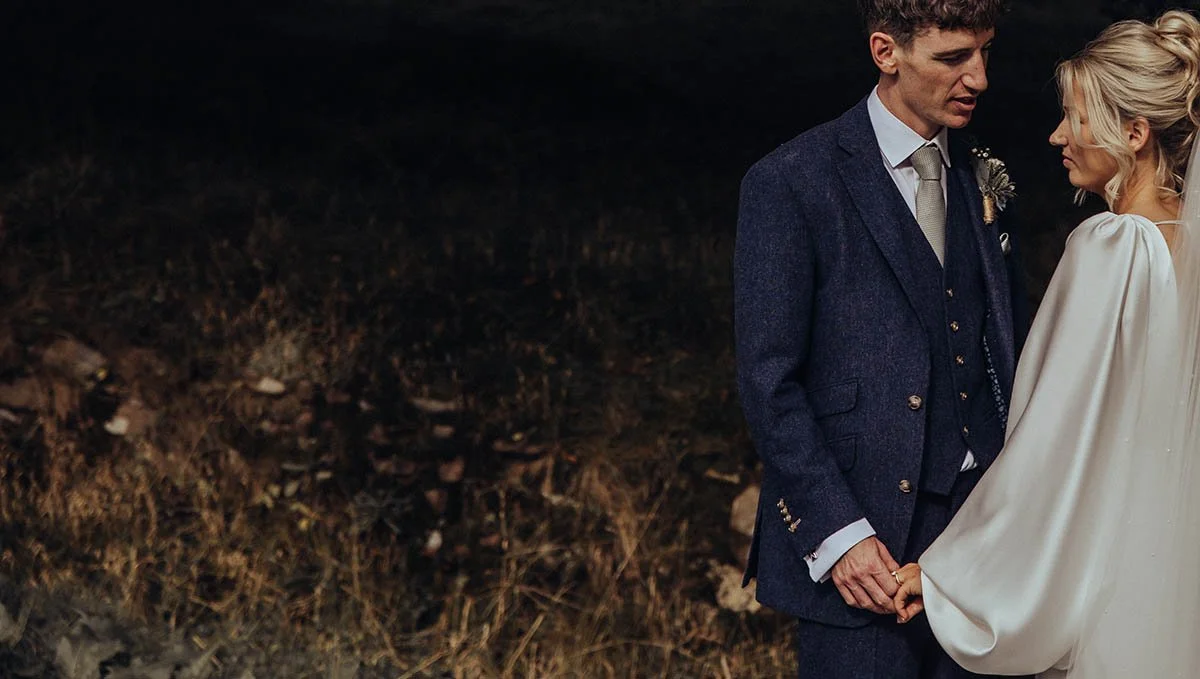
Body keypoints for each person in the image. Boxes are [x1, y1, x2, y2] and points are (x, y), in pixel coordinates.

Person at [891, 9, 1200, 677]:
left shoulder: (1113, 246)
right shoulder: (1192, 245)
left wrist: (952, 578)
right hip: (1178, 573)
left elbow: (1054, 439)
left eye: (1076, 118)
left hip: (1113, 578)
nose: (1058, 135)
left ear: (1134, 133)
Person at [733, 1, 1026, 676]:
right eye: (953, 58)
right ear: (886, 52)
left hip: (981, 545)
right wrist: (838, 535)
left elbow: (1008, 350)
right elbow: (769, 383)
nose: (979, 78)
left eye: (985, 52)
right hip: (864, 549)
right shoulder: (791, 182)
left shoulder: (985, 176)